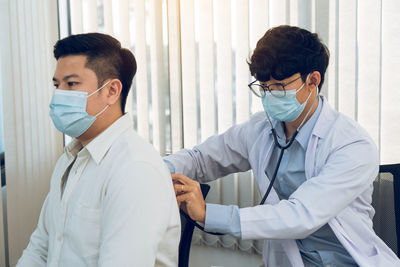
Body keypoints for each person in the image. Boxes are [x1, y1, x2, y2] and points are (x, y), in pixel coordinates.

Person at [164, 25, 400, 266]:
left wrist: (207, 214)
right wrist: (156, 169)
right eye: (264, 87)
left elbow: (301, 215)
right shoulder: (259, 129)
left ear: (313, 80)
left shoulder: (352, 144)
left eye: (280, 86)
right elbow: (200, 159)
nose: (270, 95)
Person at [17, 33, 180, 267]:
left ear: (112, 91)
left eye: (71, 84)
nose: (59, 94)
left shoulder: (135, 170)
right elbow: (41, 248)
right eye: (56, 85)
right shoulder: (70, 159)